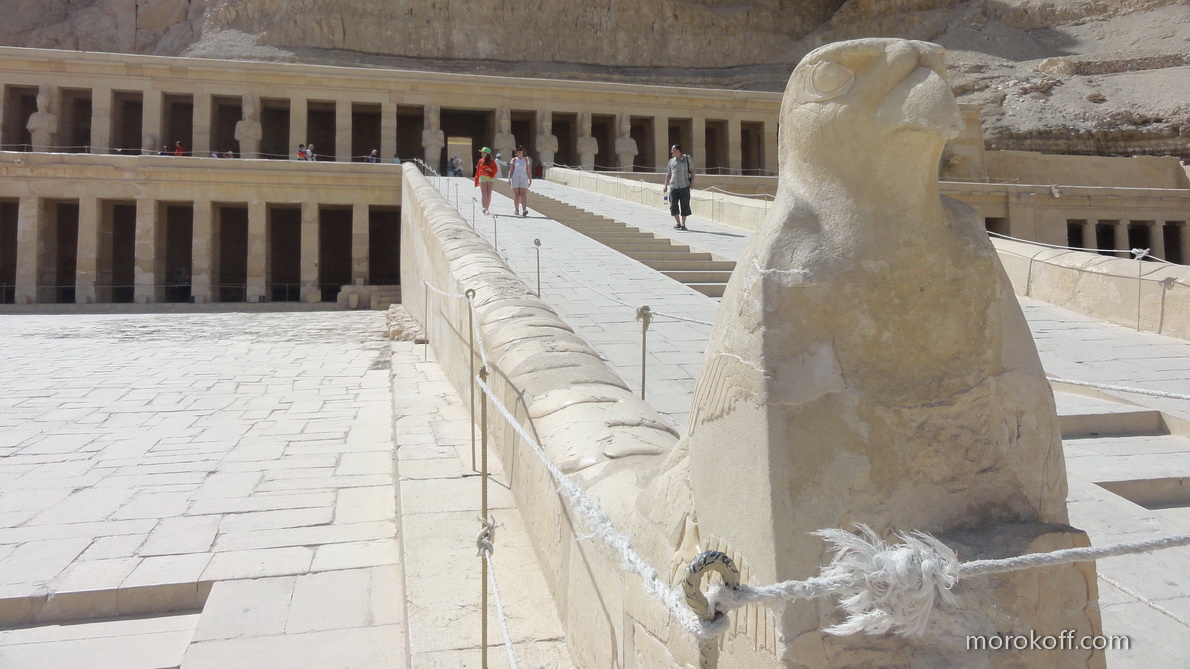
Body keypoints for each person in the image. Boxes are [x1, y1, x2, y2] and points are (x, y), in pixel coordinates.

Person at [663, 144, 695, 230]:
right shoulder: (671, 161)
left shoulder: (687, 159)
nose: (671, 152)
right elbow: (668, 174)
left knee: (684, 205)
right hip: (673, 186)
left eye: (673, 150)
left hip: (684, 186)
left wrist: (692, 182)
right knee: (673, 205)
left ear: (678, 151)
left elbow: (692, 171)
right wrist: (665, 185)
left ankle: (683, 223)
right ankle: (678, 223)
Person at [508, 145, 533, 217]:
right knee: (517, 194)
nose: (519, 151)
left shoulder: (526, 160)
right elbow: (511, 170)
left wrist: (530, 180)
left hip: (524, 177)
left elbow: (528, 171)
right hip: (515, 177)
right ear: (516, 152)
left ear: (523, 151)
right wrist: (509, 179)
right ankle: (517, 209)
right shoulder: (514, 160)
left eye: (520, 150)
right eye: (517, 150)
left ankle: (524, 210)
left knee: (523, 194)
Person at [474, 147, 498, 214]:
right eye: (482, 153)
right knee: (484, 192)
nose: (482, 154)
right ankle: (484, 208)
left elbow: (495, 169)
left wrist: (490, 169)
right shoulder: (480, 160)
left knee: (489, 193)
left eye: (483, 153)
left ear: (487, 154)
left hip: (490, 177)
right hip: (482, 177)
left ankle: (487, 208)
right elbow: (478, 169)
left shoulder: (492, 161)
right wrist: (476, 177)